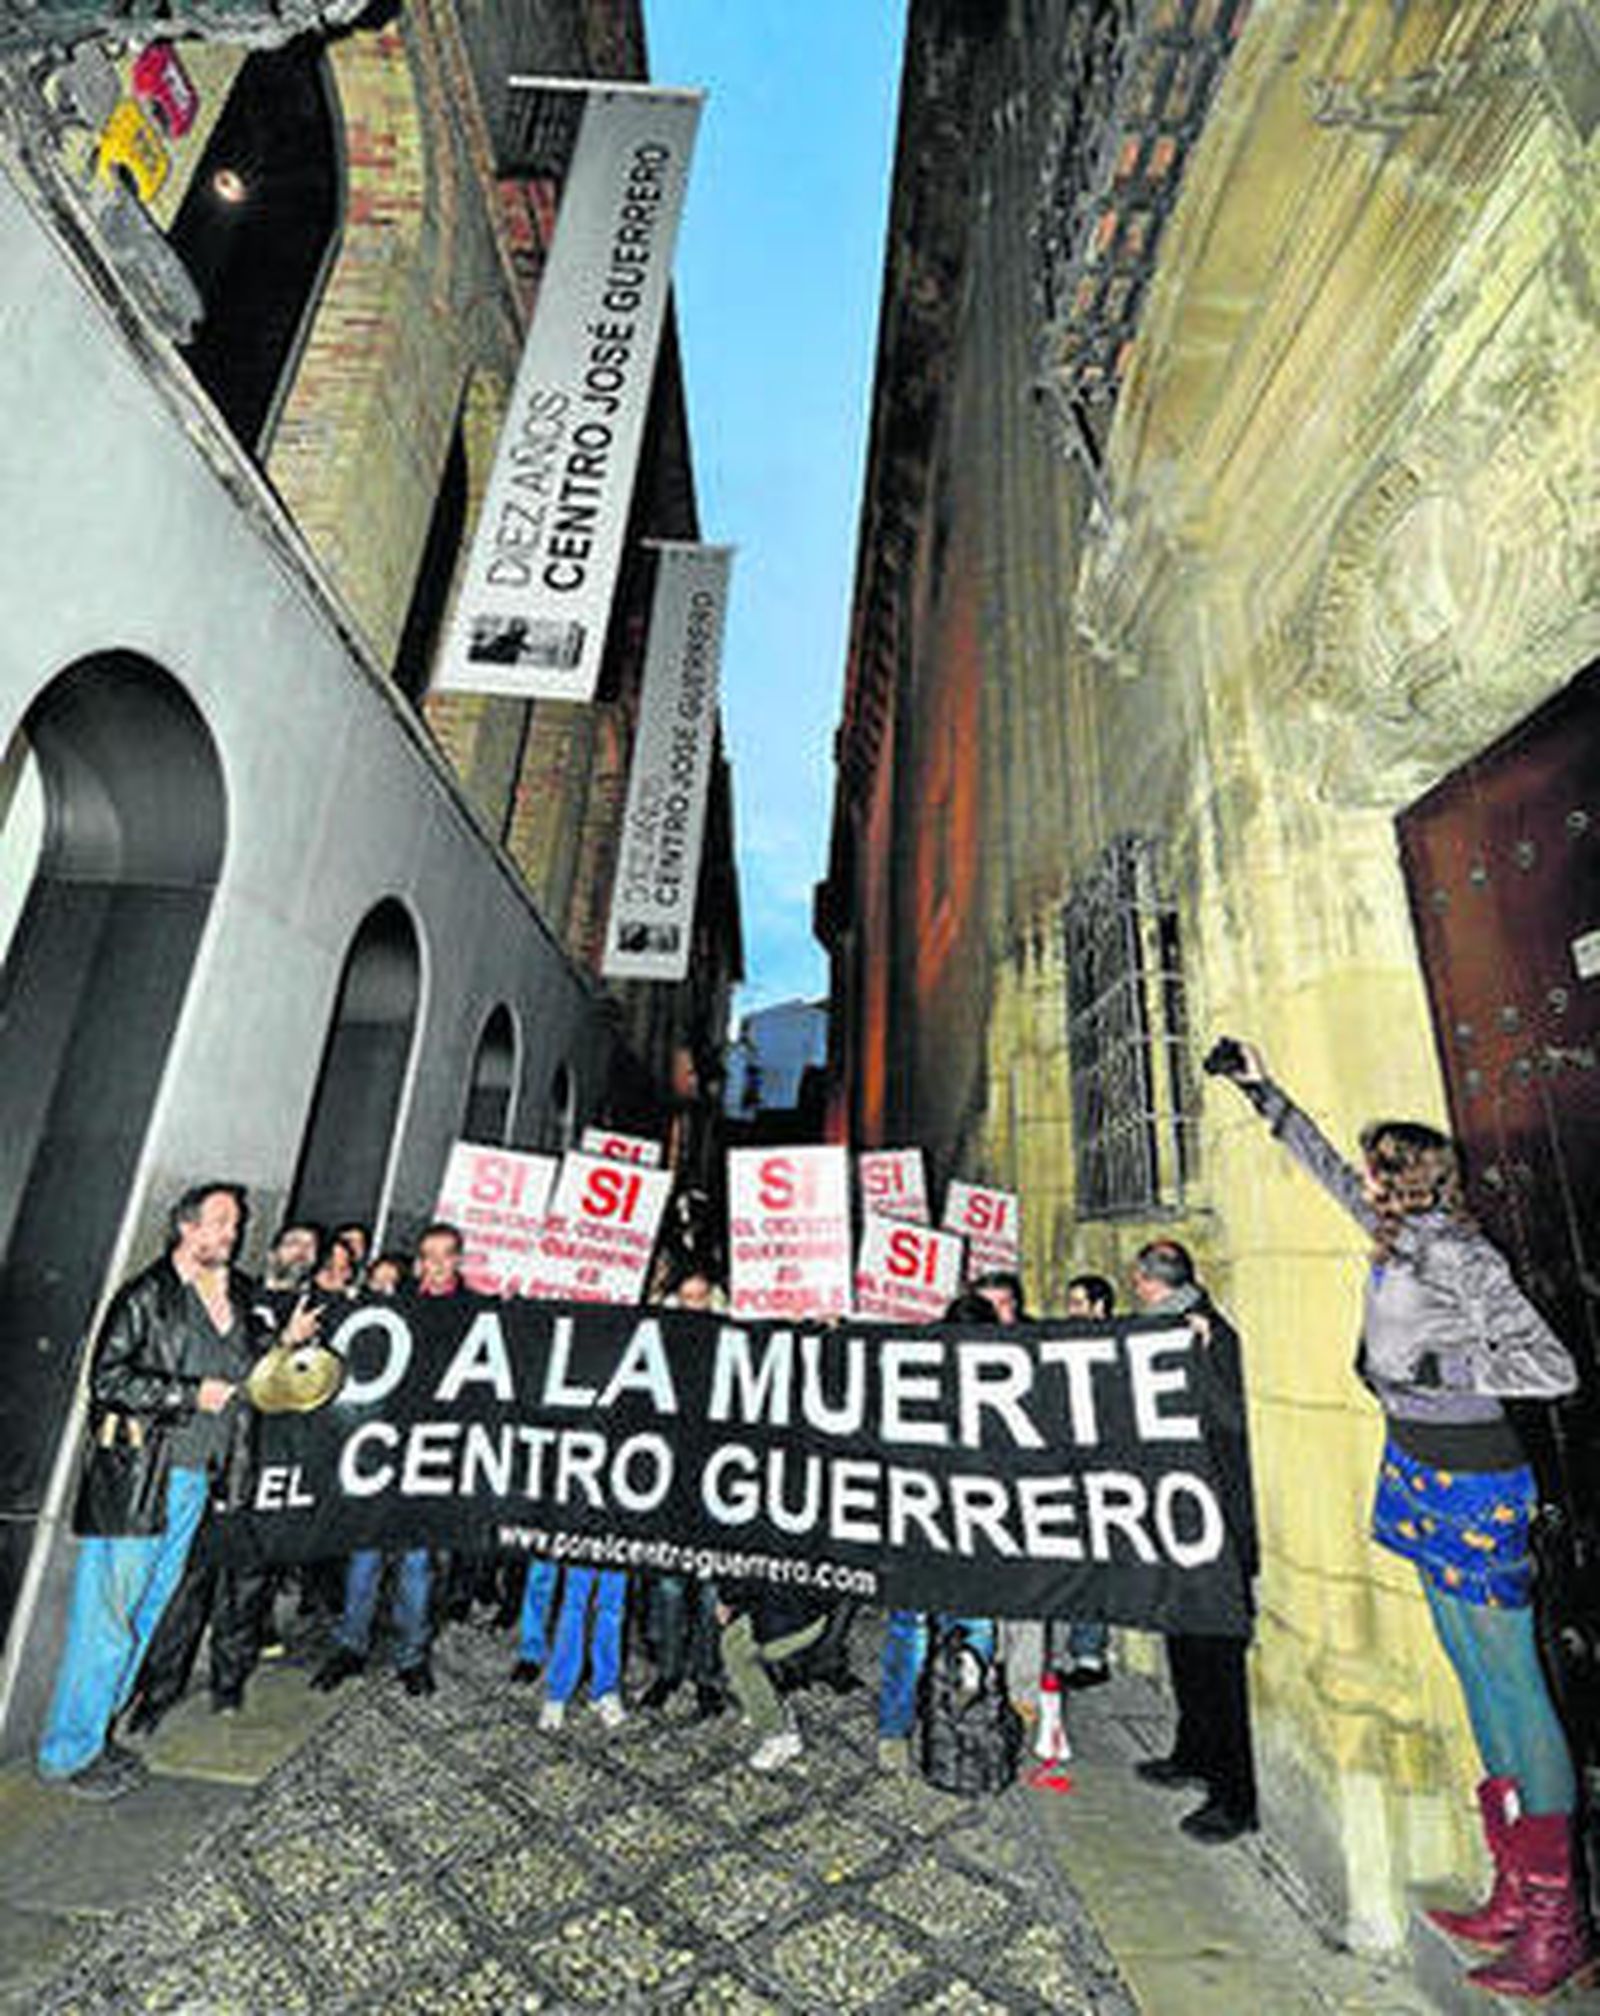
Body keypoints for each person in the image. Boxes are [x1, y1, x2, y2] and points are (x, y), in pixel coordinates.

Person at [1217, 1041, 1590, 1996]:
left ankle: (1559, 1920)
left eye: (1382, 1170)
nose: (1368, 1182)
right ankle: (1513, 1884)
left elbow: (1552, 1367)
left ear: (1415, 1179)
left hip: (1475, 1485)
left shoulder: (1463, 1254)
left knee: (1513, 1681)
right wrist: (1263, 1088)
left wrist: (1448, 1373)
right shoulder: (1397, 1238)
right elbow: (1326, 1168)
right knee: (1470, 1673)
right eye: (1371, 1171)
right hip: (1418, 1472)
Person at [37, 1184, 299, 1797]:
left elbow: (244, 1374)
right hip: (139, 1482)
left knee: (148, 1613)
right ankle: (66, 1752)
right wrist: (187, 1393)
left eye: (235, 1224)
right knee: (106, 1621)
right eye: (220, 1223)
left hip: (193, 1482)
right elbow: (106, 1379)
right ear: (187, 1228)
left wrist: (281, 1348)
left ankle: (99, 1736)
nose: (232, 1234)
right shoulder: (147, 1296)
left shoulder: (235, 1294)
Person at [1129, 1239, 1259, 1844]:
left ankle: (1235, 1797)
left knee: (1218, 1658)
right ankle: (1194, 1752)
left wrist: (1202, 1360)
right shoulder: (1153, 1332)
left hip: (1216, 1527)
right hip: (1174, 1519)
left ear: (1144, 1280)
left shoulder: (1211, 1335)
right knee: (1184, 1645)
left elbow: (1233, 1421)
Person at [313, 1224, 464, 1699]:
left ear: (458, 1259)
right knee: (364, 1553)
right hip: (381, 1444)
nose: (434, 1265)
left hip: (432, 1451)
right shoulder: (392, 1306)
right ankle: (350, 1646)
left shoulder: (476, 1313)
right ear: (418, 1261)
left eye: (444, 1256)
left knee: (417, 1562)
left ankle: (412, 1656)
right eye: (427, 1256)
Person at [876, 1290, 1002, 1773]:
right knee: (965, 1630)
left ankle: (902, 1731)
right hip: (957, 1528)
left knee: (917, 1631)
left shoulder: (917, 1373)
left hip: (934, 1526)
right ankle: (959, 1723)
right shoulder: (995, 1379)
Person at [638, 1267, 726, 1719]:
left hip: (717, 1488)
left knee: (711, 1590)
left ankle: (707, 1676)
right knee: (670, 1586)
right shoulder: (659, 1343)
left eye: (701, 1297)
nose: (694, 1306)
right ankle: (669, 1672)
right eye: (686, 1298)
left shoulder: (734, 1343)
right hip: (671, 1483)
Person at [717, 1578, 834, 1771]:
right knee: (736, 1637)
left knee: (735, 1651)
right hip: (808, 1608)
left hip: (797, 1618)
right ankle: (774, 1706)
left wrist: (726, 1598)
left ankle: (778, 1735)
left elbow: (755, 1570)